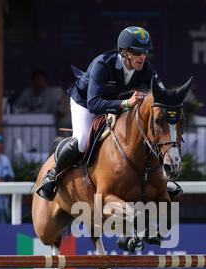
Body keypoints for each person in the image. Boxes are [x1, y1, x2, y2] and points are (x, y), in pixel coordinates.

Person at [37, 26, 180, 201]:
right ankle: (53, 175)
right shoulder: (102, 64)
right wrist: (126, 103)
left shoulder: (145, 67)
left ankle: (160, 180)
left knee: (149, 136)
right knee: (82, 140)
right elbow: (94, 104)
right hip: (86, 102)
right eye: (136, 52)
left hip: (115, 101)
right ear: (123, 52)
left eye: (145, 52)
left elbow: (162, 93)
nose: (142, 57)